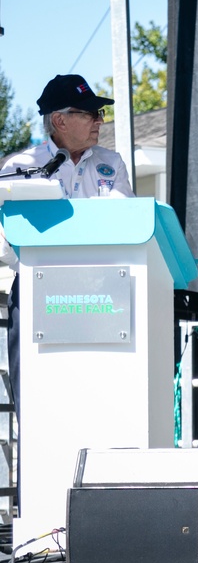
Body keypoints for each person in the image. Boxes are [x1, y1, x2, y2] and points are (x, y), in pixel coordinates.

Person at [1, 74, 133, 418]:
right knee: (34, 400)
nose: (99, 122)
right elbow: (4, 238)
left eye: (99, 114)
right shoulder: (20, 167)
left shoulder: (112, 163)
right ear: (59, 120)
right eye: (90, 114)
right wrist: (31, 269)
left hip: (101, 294)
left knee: (95, 397)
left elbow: (125, 224)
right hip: (36, 288)